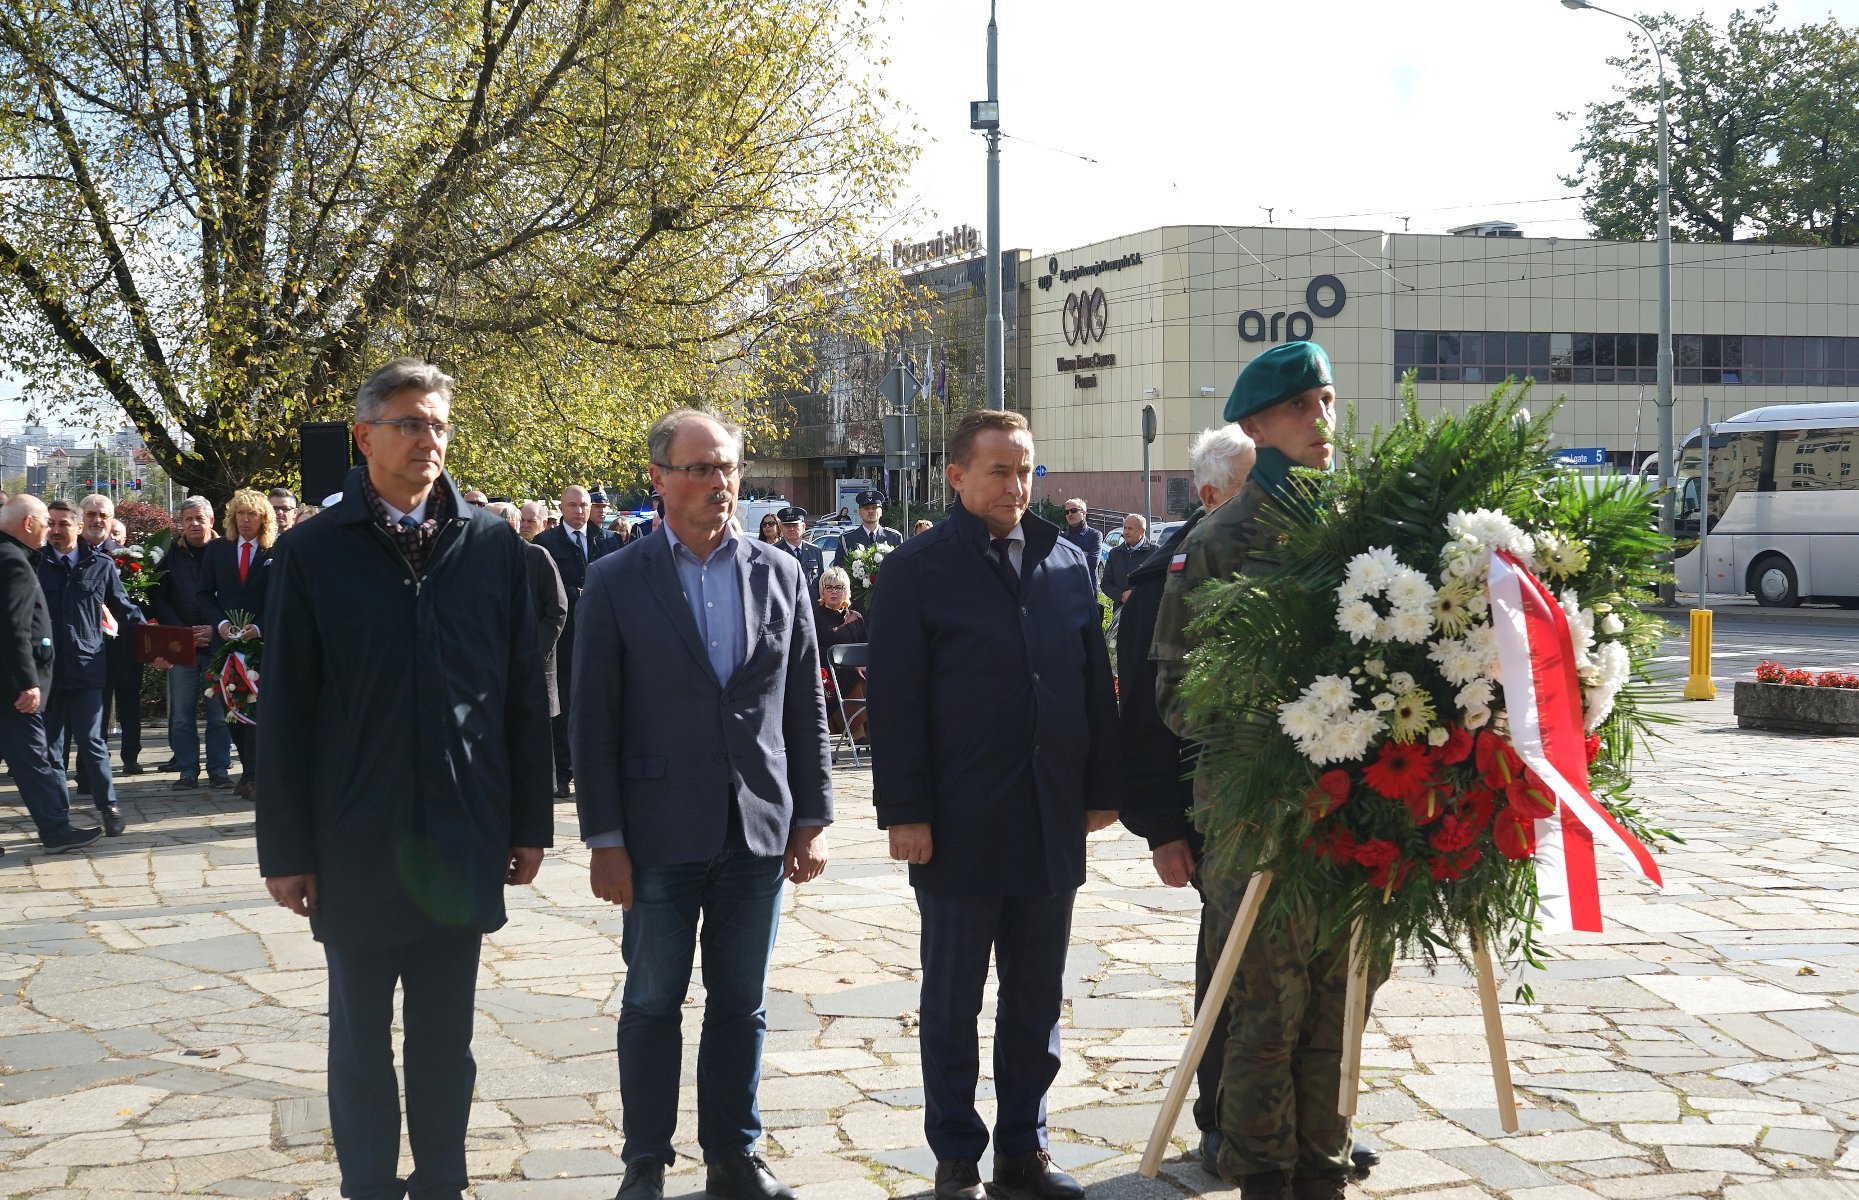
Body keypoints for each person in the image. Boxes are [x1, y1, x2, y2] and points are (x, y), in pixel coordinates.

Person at [257, 357, 554, 1200]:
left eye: (438, 425)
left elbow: (521, 698)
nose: (429, 440)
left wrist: (530, 822)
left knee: (443, 1036)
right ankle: (368, 1186)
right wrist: (286, 848)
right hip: (353, 838)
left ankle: (442, 1183)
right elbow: (287, 709)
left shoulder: (493, 544)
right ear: (364, 436)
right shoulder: (316, 551)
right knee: (358, 1037)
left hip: (460, 834)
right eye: (410, 423)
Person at [572, 408, 832, 1200]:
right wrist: (604, 838)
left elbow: (805, 704)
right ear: (658, 479)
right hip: (654, 834)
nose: (718, 483)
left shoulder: (780, 571)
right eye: (699, 469)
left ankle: (734, 1155)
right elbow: (593, 717)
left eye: (726, 468)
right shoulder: (616, 580)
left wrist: (812, 815)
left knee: (741, 1005)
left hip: (756, 826)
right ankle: (644, 1162)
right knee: (651, 1003)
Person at [1151, 341, 1384, 1200]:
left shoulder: (1361, 529)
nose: (1322, 421)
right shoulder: (1220, 540)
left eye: (1326, 401)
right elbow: (1177, 695)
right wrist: (1293, 730)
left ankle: (1322, 1167)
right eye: (1301, 408)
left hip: (1355, 816)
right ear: (1255, 425)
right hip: (1261, 821)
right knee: (1262, 1017)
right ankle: (1258, 1175)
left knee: (1342, 1006)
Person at [867, 409, 1119, 1200]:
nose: (1016, 486)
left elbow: (1089, 682)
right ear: (956, 476)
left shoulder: (1065, 559)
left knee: (1035, 996)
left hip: (1048, 817)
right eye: (999, 471)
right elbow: (898, 701)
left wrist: (1101, 789)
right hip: (957, 822)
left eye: (1025, 470)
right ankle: (955, 1157)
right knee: (951, 1000)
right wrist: (904, 811)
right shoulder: (917, 568)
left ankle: (1023, 1149)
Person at [1117, 426, 1256, 1174]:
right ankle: (1221, 1116)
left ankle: (1301, 1115)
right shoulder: (1160, 582)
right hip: (1210, 812)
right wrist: (1162, 828)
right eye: (1250, 488)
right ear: (1209, 496)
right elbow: (1142, 718)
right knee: (1230, 965)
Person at [0, 496, 103, 854]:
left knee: (34, 759)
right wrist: (28, 681)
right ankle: (57, 830)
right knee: (35, 760)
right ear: (29, 523)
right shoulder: (12, 560)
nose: (49, 528)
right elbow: (13, 628)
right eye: (45, 520)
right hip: (12, 688)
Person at [38, 500, 145, 838]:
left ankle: (108, 806)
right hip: (47, 671)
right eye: (50, 524)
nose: (55, 530)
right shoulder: (34, 563)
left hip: (86, 667)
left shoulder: (100, 564)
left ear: (77, 528)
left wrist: (155, 642)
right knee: (51, 748)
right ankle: (58, 815)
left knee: (92, 742)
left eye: (62, 524)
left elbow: (125, 608)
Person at [535, 485, 620, 796]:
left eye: (583, 505)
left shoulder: (608, 539)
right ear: (561, 507)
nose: (579, 511)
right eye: (572, 505)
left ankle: (595, 773)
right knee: (565, 706)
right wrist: (576, 594)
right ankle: (562, 773)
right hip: (564, 636)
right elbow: (544, 591)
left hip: (601, 634)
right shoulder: (545, 543)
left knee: (600, 703)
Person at [149, 496, 232, 790]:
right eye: (188, 519)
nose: (194, 524)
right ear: (181, 523)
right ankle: (187, 769)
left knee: (218, 713)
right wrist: (181, 631)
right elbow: (157, 595)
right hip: (180, 645)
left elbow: (232, 594)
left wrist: (215, 627)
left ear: (212, 520)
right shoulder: (168, 554)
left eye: (200, 518)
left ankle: (219, 768)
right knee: (182, 714)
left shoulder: (226, 551)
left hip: (217, 643)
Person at [200, 488, 277, 800]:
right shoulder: (218, 550)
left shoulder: (275, 550)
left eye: (252, 515)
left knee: (257, 709)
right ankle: (248, 772)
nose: (246, 520)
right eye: (240, 514)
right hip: (226, 646)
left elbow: (282, 597)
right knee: (229, 709)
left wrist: (258, 628)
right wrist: (220, 624)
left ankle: (255, 776)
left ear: (263, 519)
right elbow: (203, 593)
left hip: (261, 643)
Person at [80, 493, 144, 776]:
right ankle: (84, 773)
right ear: (80, 519)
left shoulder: (112, 559)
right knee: (86, 716)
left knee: (114, 706)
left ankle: (95, 773)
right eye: (91, 515)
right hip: (78, 651)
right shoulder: (64, 551)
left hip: (118, 648)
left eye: (103, 516)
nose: (97, 521)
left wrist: (156, 639)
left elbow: (125, 606)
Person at [491, 502, 569, 724]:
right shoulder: (484, 559)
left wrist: (533, 651)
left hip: (533, 671)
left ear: (508, 525)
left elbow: (558, 610)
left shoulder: (536, 556)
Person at [813, 566, 867, 741]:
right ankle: (858, 730)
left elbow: (866, 648)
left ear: (846, 590)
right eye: (829, 587)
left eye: (839, 587)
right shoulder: (814, 616)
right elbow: (813, 649)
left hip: (858, 669)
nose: (834, 592)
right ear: (822, 590)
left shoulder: (856, 617)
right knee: (853, 673)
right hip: (828, 671)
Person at [1099, 513, 1153, 614]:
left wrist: (1135, 594)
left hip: (1146, 612)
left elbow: (1158, 583)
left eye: (1130, 529)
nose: (1126, 532)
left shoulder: (1155, 552)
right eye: (1125, 528)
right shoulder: (1115, 553)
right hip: (1121, 611)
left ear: (1142, 531)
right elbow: (1106, 583)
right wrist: (1121, 596)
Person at [773, 506, 824, 593]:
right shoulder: (774, 552)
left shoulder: (815, 551)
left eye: (795, 525)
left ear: (804, 527)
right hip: (787, 605)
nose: (791, 529)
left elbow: (821, 582)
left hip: (811, 604)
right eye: (787, 525)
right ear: (781, 527)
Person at [840, 490, 902, 555]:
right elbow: (839, 564)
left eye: (874, 508)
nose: (870, 511)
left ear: (881, 512)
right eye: (866, 508)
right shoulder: (847, 539)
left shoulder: (894, 537)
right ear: (859, 512)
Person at [1058, 498, 1102, 589]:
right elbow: (1056, 564)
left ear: (1084, 513)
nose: (1070, 514)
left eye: (1073, 511)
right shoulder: (1061, 537)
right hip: (1064, 590)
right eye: (1067, 512)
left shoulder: (1095, 535)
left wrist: (1067, 559)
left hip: (1086, 591)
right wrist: (1082, 555)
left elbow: (1092, 563)